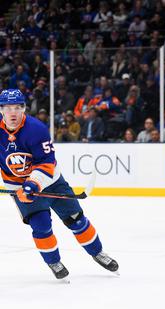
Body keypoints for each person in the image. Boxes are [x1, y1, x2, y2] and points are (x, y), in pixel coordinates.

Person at [0, 89, 118, 280]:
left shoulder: (36, 129)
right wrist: (23, 187)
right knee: (41, 225)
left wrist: (34, 183)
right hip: (19, 187)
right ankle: (53, 261)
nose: (12, 112)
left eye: (17, 107)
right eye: (7, 108)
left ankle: (97, 252)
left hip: (51, 181)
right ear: (1, 110)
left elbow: (46, 162)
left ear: (23, 108)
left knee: (76, 219)